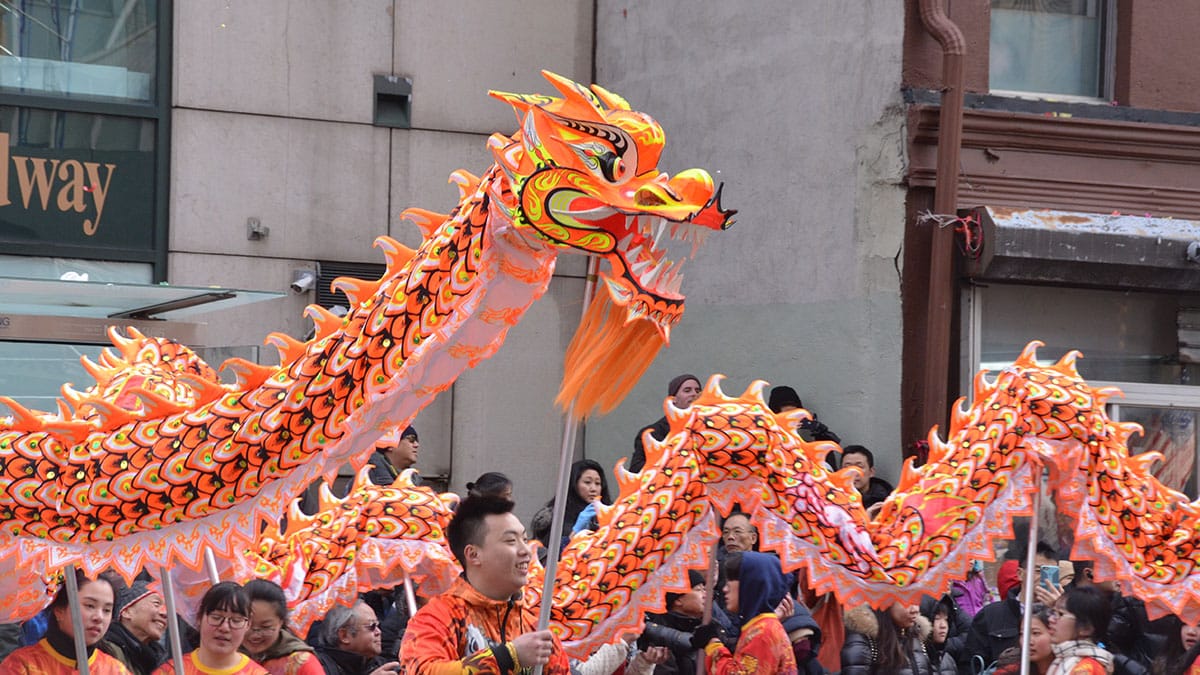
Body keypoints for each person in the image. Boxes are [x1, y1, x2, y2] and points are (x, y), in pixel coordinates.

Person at [399, 495, 570, 675]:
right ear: (473, 554)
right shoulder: (437, 618)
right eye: (511, 541)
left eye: (525, 540)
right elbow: (422, 670)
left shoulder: (535, 628)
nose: (526, 551)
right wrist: (507, 657)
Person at [0, 570, 131, 675]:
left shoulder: (115, 670)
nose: (99, 617)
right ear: (59, 611)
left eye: (107, 610)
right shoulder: (22, 665)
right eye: (90, 605)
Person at [692, 551, 798, 675]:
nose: (725, 589)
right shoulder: (761, 626)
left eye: (731, 582)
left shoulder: (762, 633)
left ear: (751, 586)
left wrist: (713, 645)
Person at [961, 541, 1058, 673]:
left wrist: (1058, 611)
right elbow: (970, 665)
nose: (1044, 579)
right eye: (1037, 571)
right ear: (1020, 573)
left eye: (1051, 573)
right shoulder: (990, 615)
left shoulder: (1062, 616)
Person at [152, 582, 265, 675]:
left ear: (248, 624)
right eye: (216, 618)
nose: (224, 628)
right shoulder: (170, 671)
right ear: (200, 618)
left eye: (236, 621)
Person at [240, 580, 322, 675]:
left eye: (265, 627)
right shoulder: (225, 657)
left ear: (281, 622)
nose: (255, 635)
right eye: (247, 624)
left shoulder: (301, 663)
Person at [530, 459, 611, 551]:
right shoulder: (556, 518)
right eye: (587, 482)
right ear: (574, 485)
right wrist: (574, 533)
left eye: (597, 483)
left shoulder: (610, 515)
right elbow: (549, 556)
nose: (593, 489)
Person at [630, 374, 702, 473]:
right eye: (687, 390)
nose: (694, 394)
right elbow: (636, 469)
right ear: (673, 399)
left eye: (698, 391)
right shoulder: (652, 434)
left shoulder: (709, 427)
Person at [840, 603, 935, 675]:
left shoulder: (916, 635)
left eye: (916, 601)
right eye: (905, 601)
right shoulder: (865, 639)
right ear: (886, 602)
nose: (915, 609)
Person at [102, 578, 169, 675]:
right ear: (127, 612)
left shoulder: (161, 661)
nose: (165, 613)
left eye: (167, 608)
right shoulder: (107, 652)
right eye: (156, 603)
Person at [1046, 586, 1114, 675]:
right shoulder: (1063, 659)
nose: (1051, 619)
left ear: (1086, 628)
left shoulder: (1087, 668)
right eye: (1053, 612)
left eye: (1060, 614)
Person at [313, 603, 395, 675]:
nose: (379, 632)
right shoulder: (318, 667)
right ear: (344, 636)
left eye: (378, 625)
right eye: (371, 626)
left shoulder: (381, 665)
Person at [992, 604, 1055, 675]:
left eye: (1035, 633)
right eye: (1022, 634)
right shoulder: (1008, 672)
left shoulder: (1066, 668)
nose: (1028, 641)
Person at [766, 386, 841, 444]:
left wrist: (819, 432)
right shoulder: (765, 432)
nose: (791, 418)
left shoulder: (805, 430)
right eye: (786, 414)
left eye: (795, 413)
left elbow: (832, 445)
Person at [840, 446, 893, 511]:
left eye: (859, 467)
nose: (853, 472)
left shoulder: (887, 499)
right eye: (847, 467)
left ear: (871, 472)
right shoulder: (831, 500)